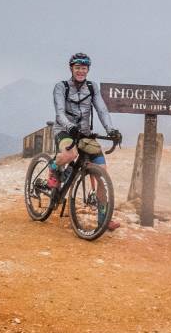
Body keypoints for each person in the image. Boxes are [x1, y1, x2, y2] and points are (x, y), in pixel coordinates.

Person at [45, 52, 122, 230]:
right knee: (70, 153)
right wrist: (70, 126)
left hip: (85, 134)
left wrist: (111, 130)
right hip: (65, 130)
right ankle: (54, 167)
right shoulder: (61, 87)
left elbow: (102, 110)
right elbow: (59, 112)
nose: (81, 71)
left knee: (102, 174)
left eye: (84, 68)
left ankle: (104, 219)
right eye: (77, 67)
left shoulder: (92, 87)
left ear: (88, 70)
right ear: (71, 68)